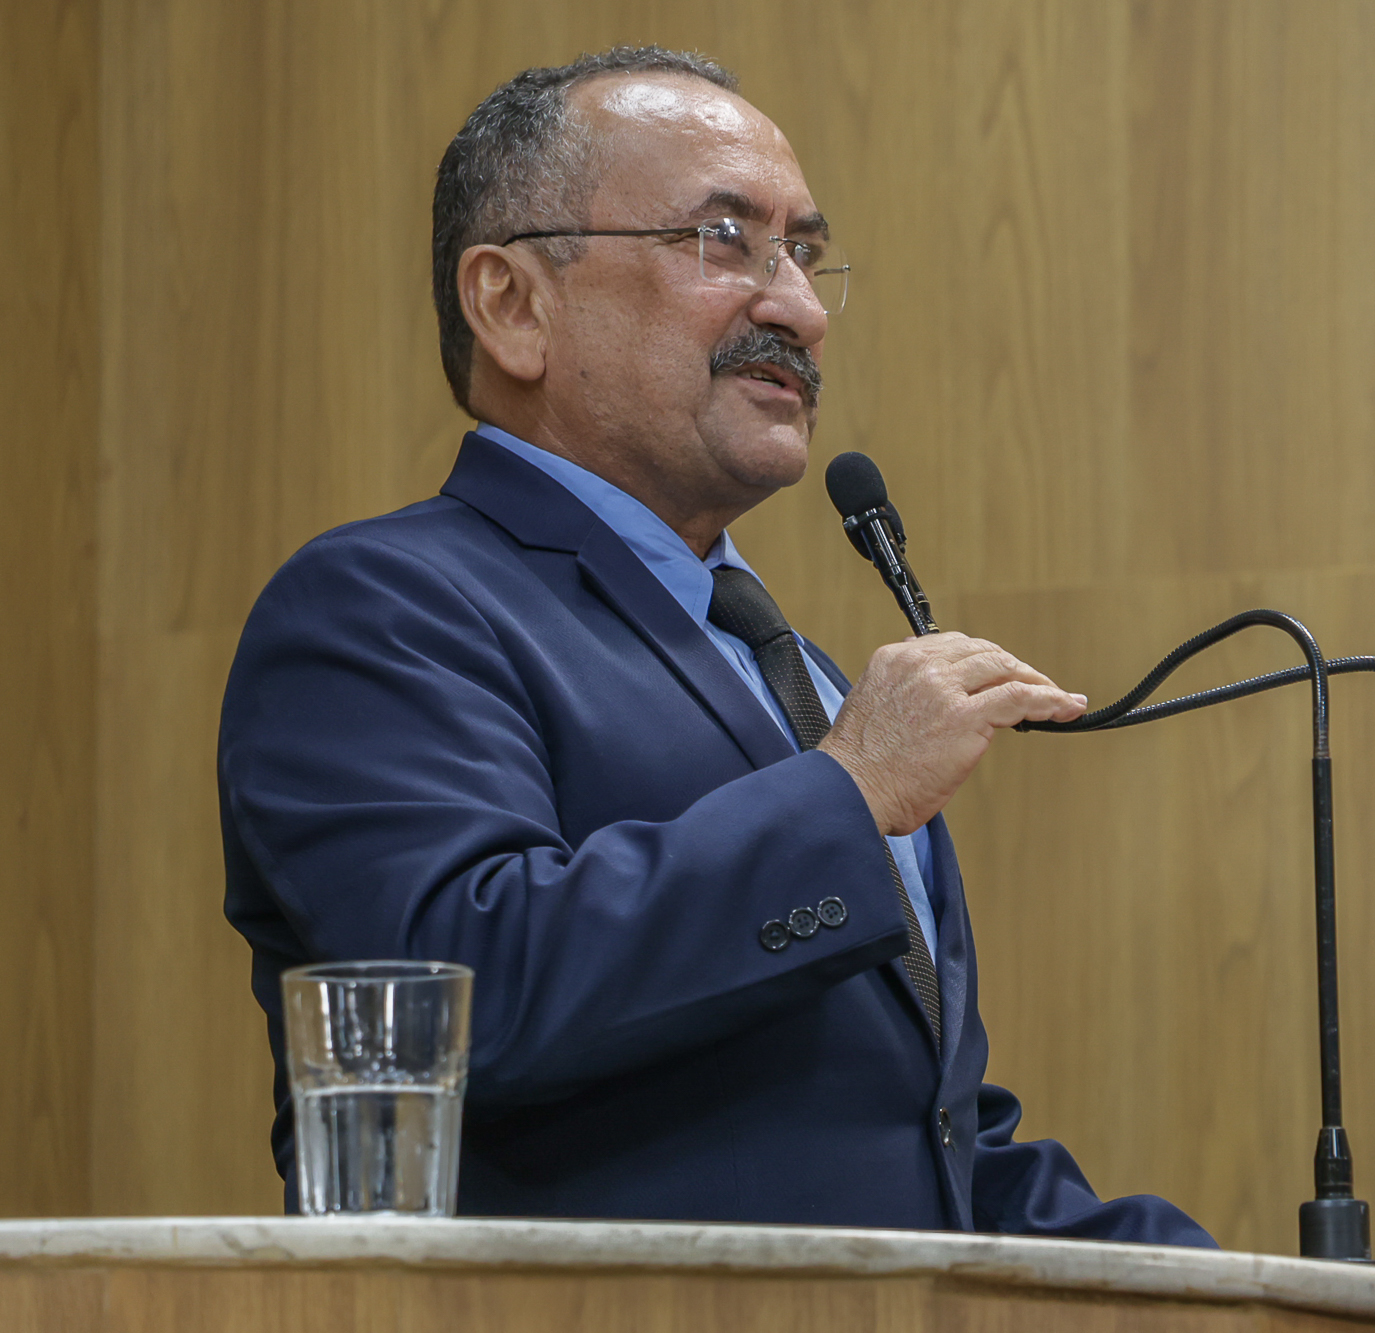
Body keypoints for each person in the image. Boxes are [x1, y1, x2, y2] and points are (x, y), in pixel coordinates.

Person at [219, 45, 1212, 1244]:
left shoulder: (801, 680)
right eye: (723, 241)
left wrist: (1240, 1294)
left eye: (803, 253)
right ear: (513, 305)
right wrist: (850, 788)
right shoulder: (380, 607)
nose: (798, 308)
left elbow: (924, 1143)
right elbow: (467, 993)